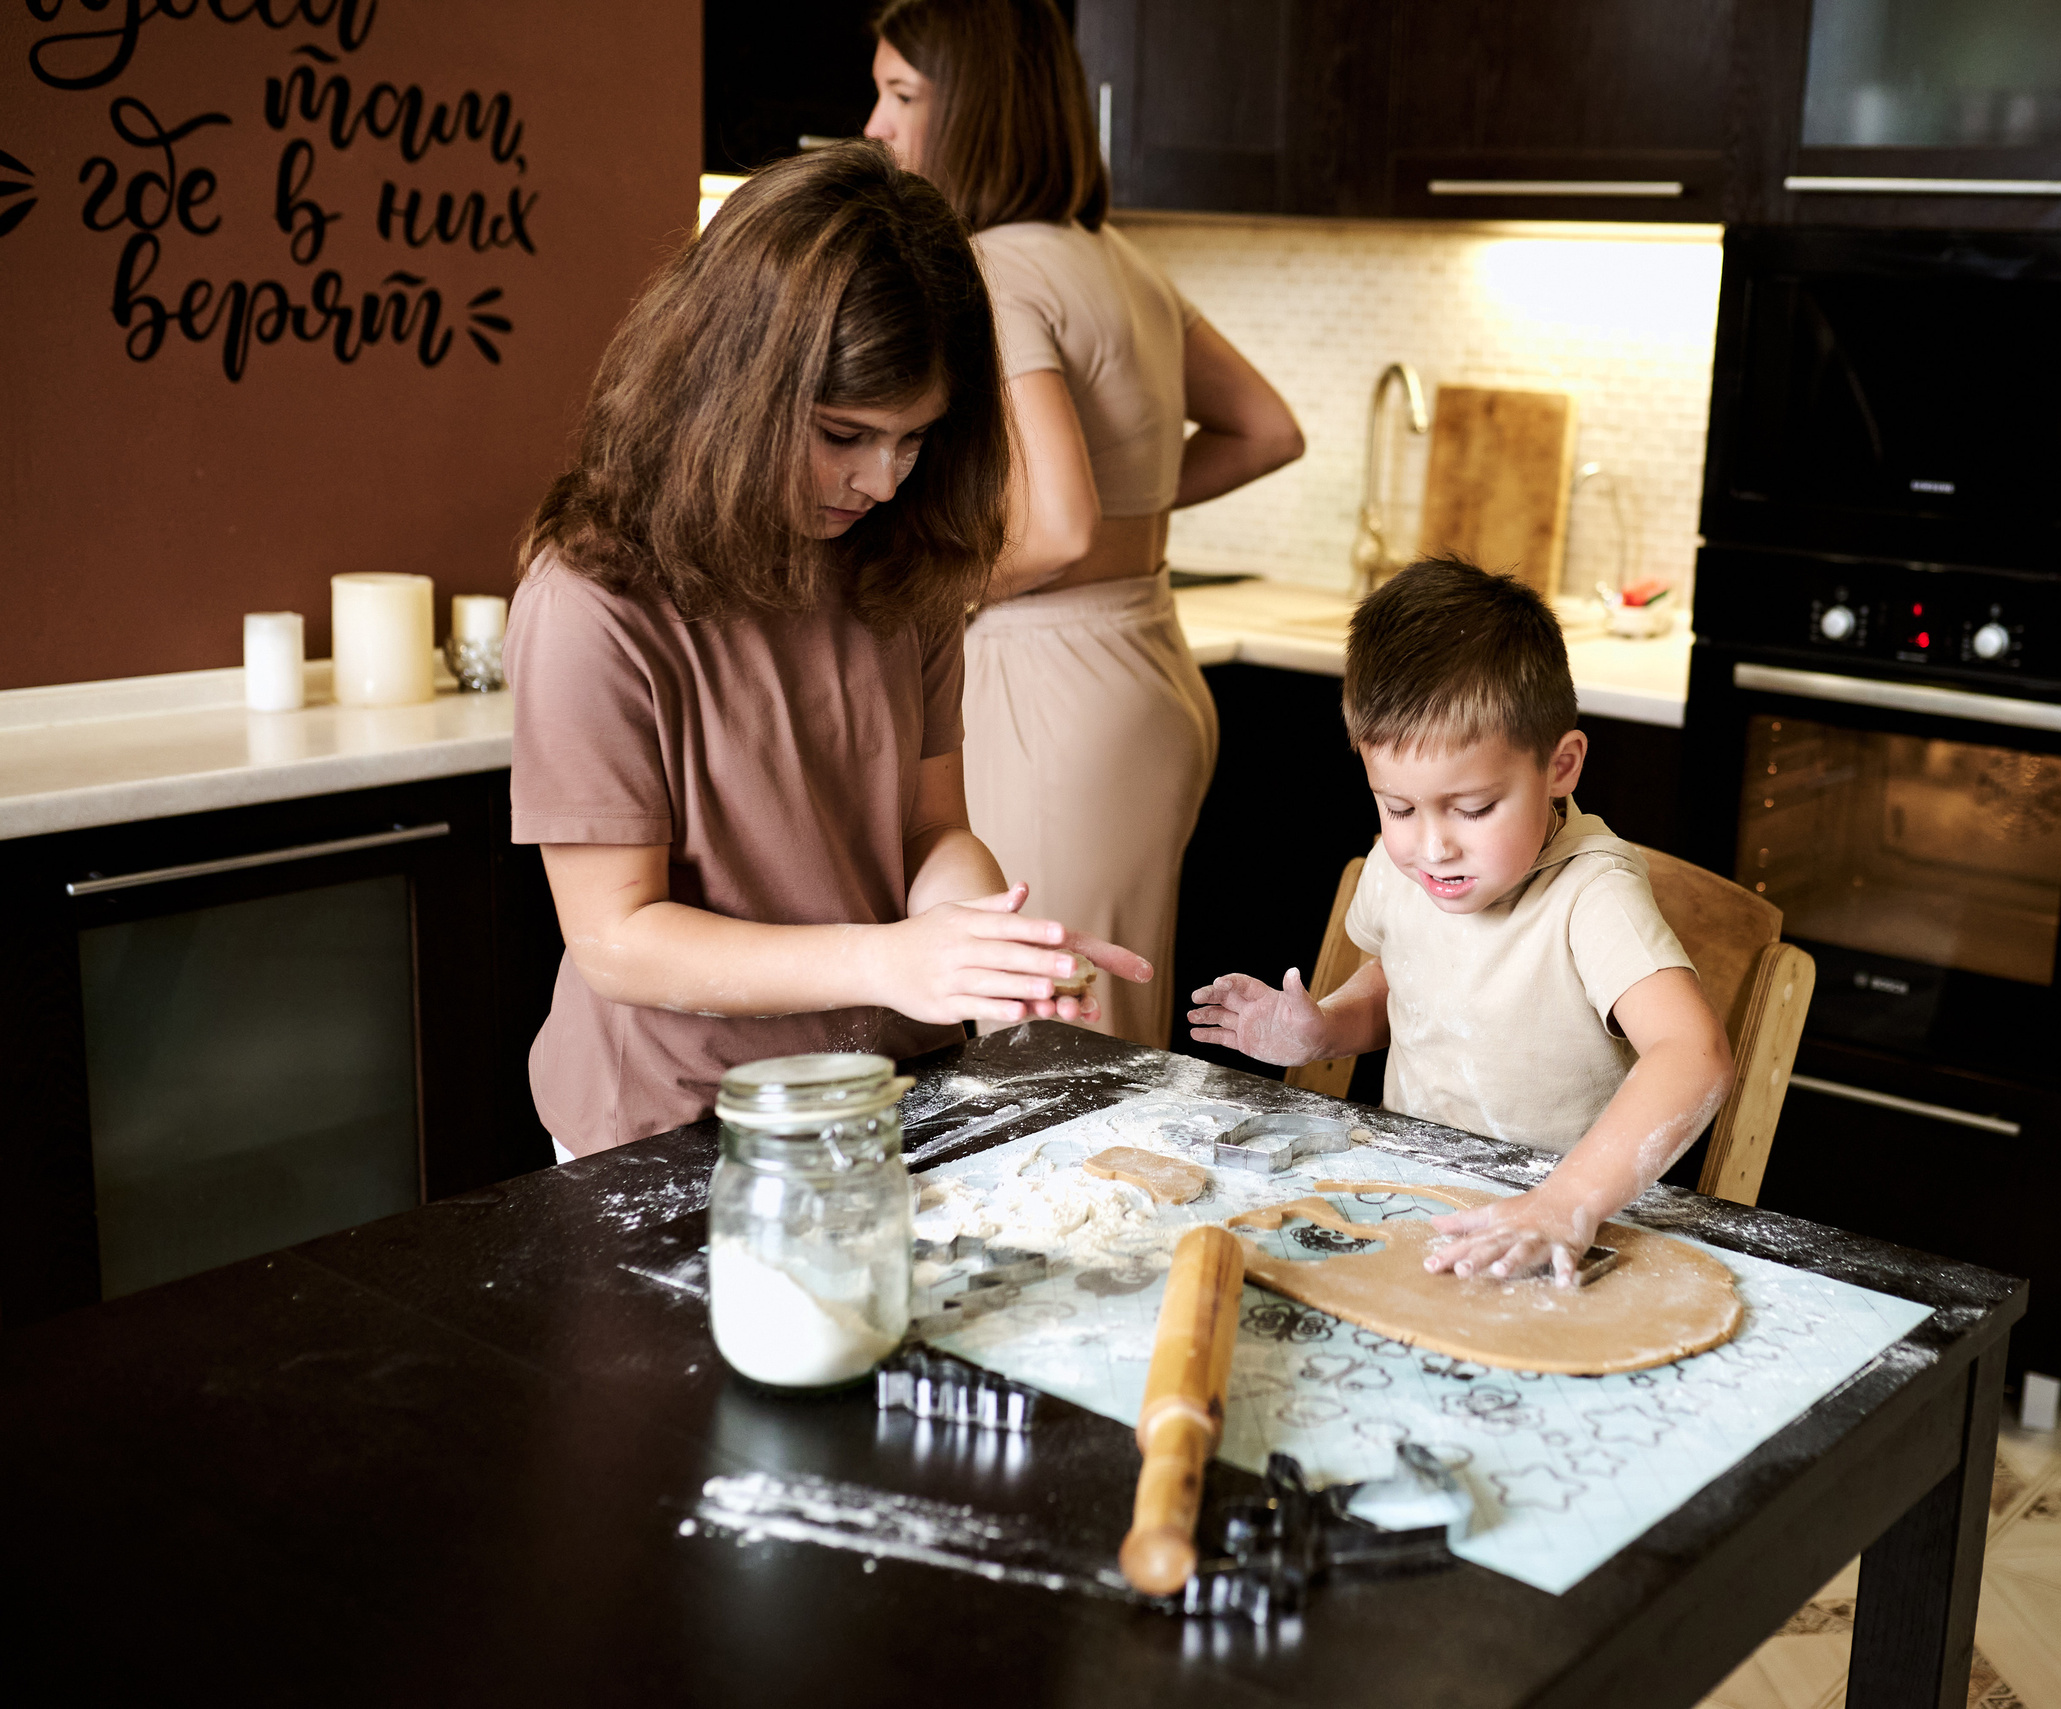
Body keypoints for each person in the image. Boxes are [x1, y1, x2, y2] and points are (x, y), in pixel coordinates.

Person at [505, 142, 1145, 1158]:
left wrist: (986, 948)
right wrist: (889, 961)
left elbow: (930, 834)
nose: (882, 481)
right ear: (732, 390)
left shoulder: (902, 555)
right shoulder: (596, 597)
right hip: (679, 1121)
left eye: (914, 439)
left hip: (891, 1088)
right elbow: (614, 937)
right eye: (842, 434)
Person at [864, 0, 1305, 1050]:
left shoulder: (993, 267)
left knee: (1049, 1034)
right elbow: (1264, 430)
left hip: (1052, 691)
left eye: (900, 96)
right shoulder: (1121, 262)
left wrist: (920, 587)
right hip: (1146, 667)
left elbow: (1056, 527)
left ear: (971, 109)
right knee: (1096, 1016)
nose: (874, 126)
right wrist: (1128, 523)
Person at [1187, 559, 1736, 1284]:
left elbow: (1693, 1054)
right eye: (1399, 807)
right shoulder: (1400, 864)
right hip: (1416, 1202)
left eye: (1473, 809)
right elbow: (1398, 983)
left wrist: (1567, 1201)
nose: (1434, 845)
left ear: (1561, 766)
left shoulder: (1591, 893)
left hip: (1565, 1236)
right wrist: (1325, 1028)